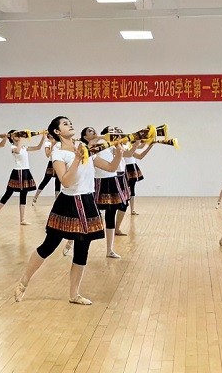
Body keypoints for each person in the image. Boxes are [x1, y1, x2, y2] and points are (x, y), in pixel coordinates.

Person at [14, 116, 104, 305]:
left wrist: (119, 153)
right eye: (65, 123)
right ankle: (23, 282)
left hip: (87, 201)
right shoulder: (58, 153)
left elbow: (110, 167)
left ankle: (74, 294)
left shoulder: (82, 147)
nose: (70, 124)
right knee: (49, 246)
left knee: (82, 250)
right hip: (68, 203)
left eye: (70, 122)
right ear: (56, 131)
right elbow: (66, 181)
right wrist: (77, 159)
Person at [84, 126, 126, 258]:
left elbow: (117, 161)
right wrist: (103, 137)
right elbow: (92, 145)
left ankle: (109, 250)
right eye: (89, 131)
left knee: (110, 215)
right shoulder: (89, 147)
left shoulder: (107, 145)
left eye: (93, 129)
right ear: (85, 137)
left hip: (112, 180)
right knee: (90, 215)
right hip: (99, 183)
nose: (93, 131)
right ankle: (72, 241)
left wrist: (119, 148)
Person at [0, 130, 44, 225]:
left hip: (26, 172)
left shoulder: (23, 147)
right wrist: (21, 140)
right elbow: (18, 151)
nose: (18, 136)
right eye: (16, 134)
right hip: (17, 172)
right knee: (8, 194)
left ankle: (22, 220)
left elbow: (38, 147)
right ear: (11, 137)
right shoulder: (13, 147)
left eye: (18, 134)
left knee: (23, 195)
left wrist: (43, 137)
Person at [124, 140, 154, 216]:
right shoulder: (120, 147)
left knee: (132, 188)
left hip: (132, 167)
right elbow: (139, 149)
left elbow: (141, 149)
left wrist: (150, 142)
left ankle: (132, 210)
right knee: (124, 189)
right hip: (124, 168)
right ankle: (122, 207)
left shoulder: (129, 145)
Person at [31, 134, 61, 206]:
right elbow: (48, 154)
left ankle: (57, 201)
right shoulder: (48, 143)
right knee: (45, 180)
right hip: (51, 163)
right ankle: (35, 197)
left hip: (59, 163)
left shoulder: (60, 142)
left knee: (58, 181)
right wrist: (52, 145)